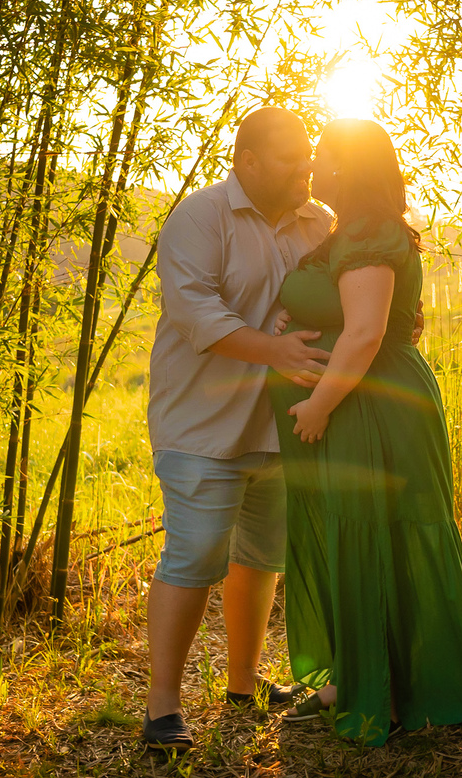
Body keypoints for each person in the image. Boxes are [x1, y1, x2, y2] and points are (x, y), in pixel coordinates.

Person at [266, 118, 462, 746]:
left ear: (352, 167)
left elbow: (365, 333)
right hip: (352, 405)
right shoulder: (347, 230)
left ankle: (388, 692)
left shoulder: (369, 231)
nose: (314, 166)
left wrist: (319, 406)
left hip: (371, 407)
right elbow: (343, 306)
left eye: (324, 156)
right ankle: (356, 674)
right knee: (353, 533)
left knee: (377, 534)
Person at [141, 107, 333, 750]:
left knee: (261, 557)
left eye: (309, 153)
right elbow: (196, 314)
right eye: (290, 156)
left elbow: (343, 297)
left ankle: (243, 684)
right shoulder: (200, 217)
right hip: (205, 424)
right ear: (247, 161)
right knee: (195, 557)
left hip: (287, 425)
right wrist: (274, 350)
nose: (307, 165)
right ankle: (162, 705)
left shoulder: (321, 222)